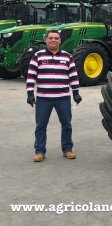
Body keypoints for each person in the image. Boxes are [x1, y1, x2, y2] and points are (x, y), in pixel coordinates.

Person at [26, 30, 82, 162]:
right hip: (43, 98)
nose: (53, 40)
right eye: (50, 38)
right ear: (46, 40)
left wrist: (76, 93)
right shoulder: (37, 56)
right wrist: (29, 94)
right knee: (40, 125)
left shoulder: (67, 57)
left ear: (60, 40)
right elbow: (31, 76)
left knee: (67, 124)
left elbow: (73, 76)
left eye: (56, 38)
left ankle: (67, 149)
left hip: (63, 98)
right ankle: (39, 151)